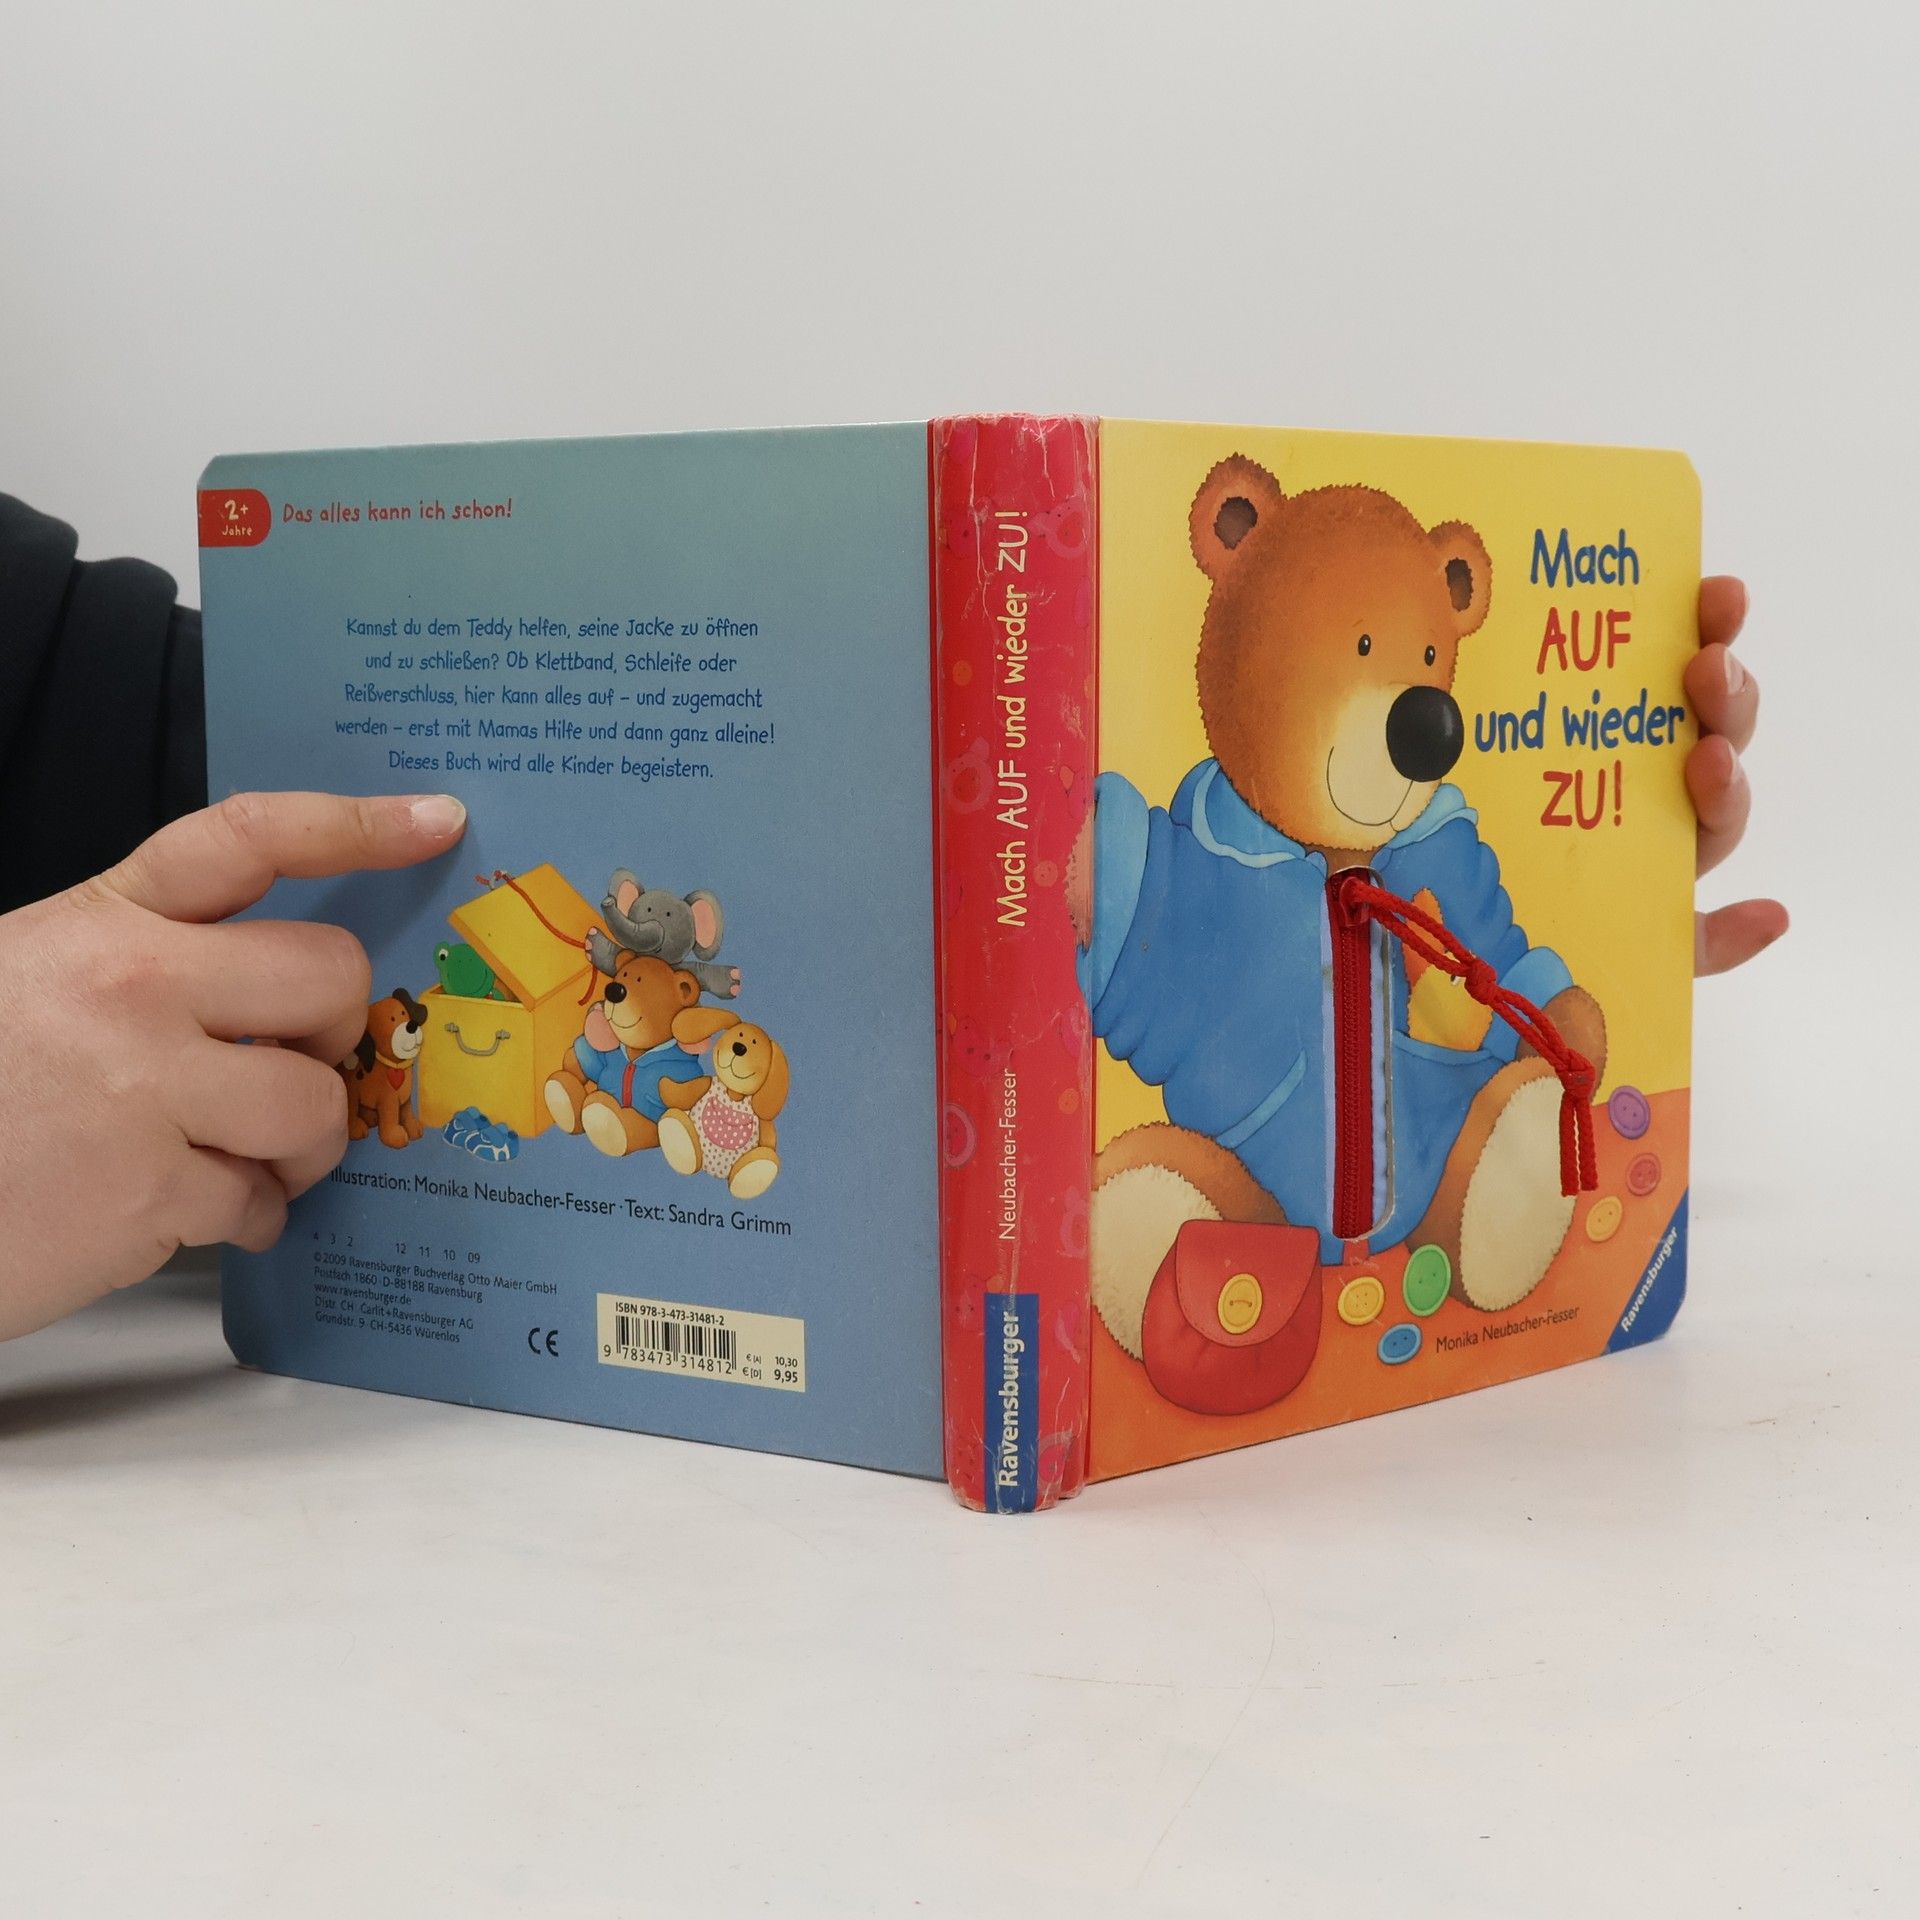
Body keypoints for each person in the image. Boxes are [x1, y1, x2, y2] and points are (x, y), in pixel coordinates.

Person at [0, 494, 1785, 1342]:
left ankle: (1490, 1168)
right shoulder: (1175, 844)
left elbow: (178, 751)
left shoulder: (1436, 840)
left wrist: (1581, 917)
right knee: (1155, 1191)